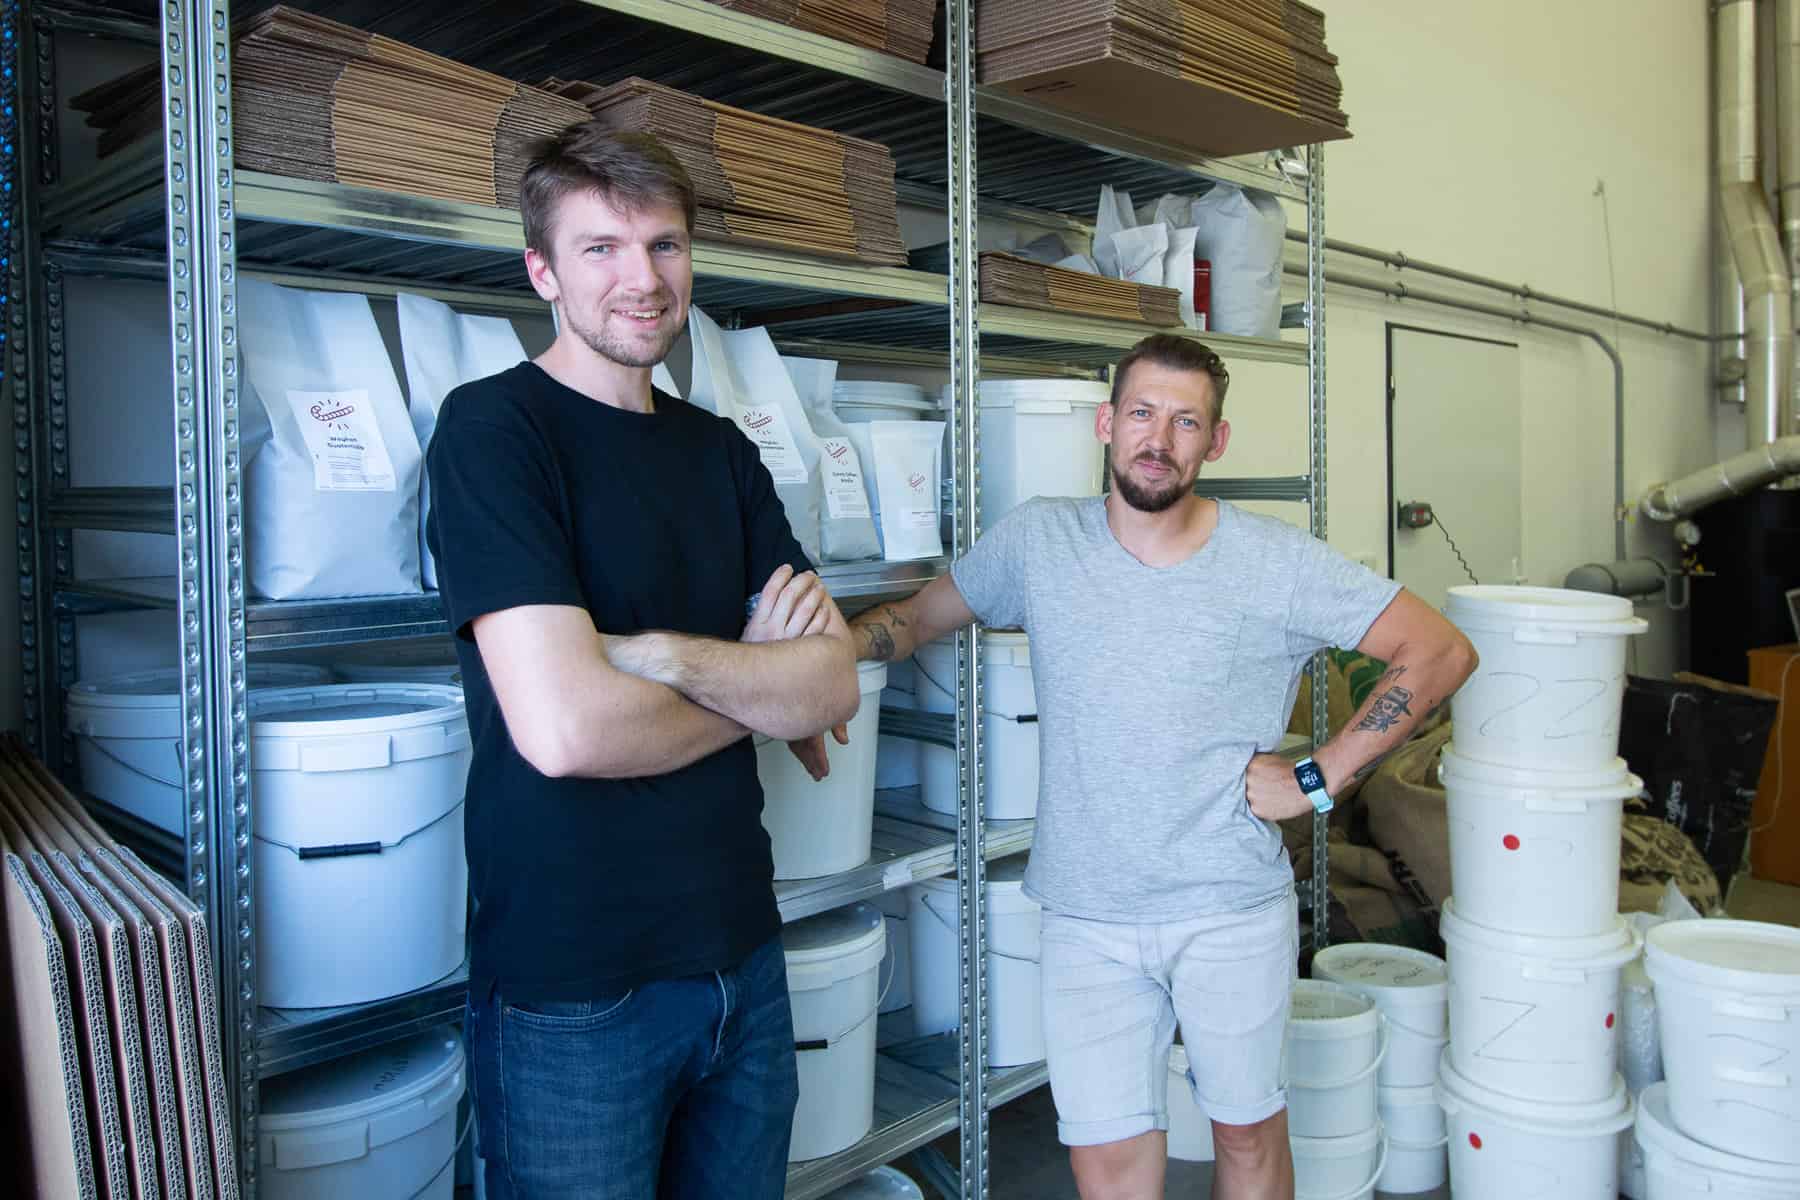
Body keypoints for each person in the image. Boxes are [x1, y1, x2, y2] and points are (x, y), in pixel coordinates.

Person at [797, 334, 1477, 1200]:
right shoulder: (1040, 541)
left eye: (1187, 421)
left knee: (1245, 1137)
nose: (1160, 438)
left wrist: (1319, 775)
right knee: (1109, 1162)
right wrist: (804, 679)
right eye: (1144, 413)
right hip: (1086, 916)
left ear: (1215, 443)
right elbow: (913, 621)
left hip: (1227, 910)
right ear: (1106, 424)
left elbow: (1439, 651)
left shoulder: (1275, 561)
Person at [425, 122, 861, 1200]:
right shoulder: (494, 432)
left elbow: (833, 680)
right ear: (542, 271)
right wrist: (755, 686)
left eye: (664, 246)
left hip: (742, 958)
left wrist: (658, 655)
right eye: (601, 249)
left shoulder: (720, 451)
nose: (642, 279)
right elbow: (569, 732)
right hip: (578, 990)